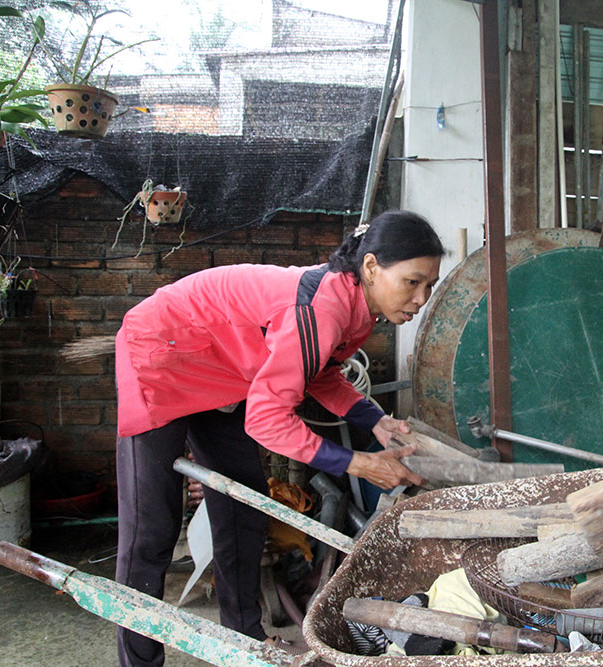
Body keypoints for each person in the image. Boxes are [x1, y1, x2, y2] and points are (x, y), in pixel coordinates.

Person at [114, 210, 444, 666]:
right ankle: (139, 661)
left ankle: (244, 640)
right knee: (151, 528)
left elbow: (319, 372)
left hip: (223, 369)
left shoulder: (359, 306)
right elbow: (267, 423)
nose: (421, 298)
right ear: (370, 268)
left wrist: (373, 420)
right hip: (160, 351)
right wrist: (356, 463)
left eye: (429, 285)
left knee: (244, 509)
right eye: (412, 282)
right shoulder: (323, 309)